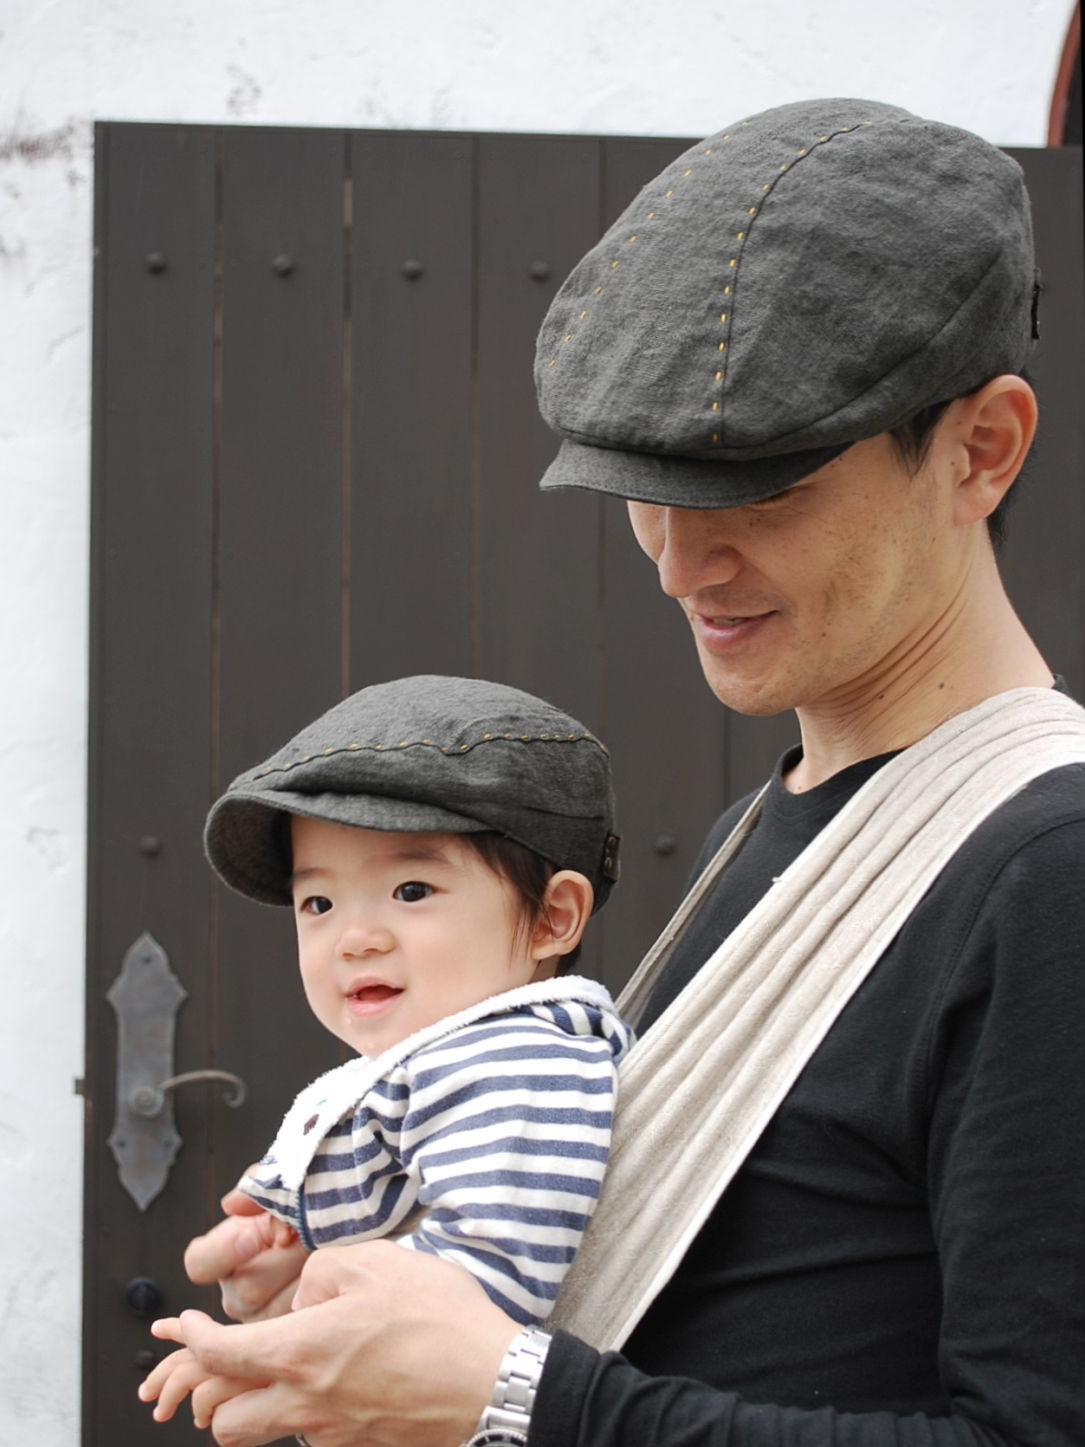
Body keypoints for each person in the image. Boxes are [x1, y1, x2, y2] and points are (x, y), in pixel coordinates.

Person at [155, 98, 1085, 1447]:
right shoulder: (766, 826)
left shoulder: (1048, 872)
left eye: (760, 489)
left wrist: (513, 1395)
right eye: (647, 489)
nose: (680, 563)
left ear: (980, 449)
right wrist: (371, 1292)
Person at [137, 674, 631, 1430]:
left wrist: (286, 1346)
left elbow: (485, 1282)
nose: (354, 938)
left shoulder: (518, 1064)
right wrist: (288, 1231)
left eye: (411, 890)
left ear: (551, 918)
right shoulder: (432, 1061)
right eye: (318, 902)